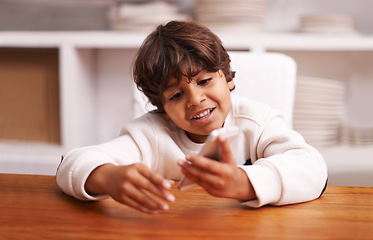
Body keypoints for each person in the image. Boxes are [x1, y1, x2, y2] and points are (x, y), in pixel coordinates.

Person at [56, 21, 328, 214]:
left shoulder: (256, 122)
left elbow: (313, 169)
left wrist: (243, 182)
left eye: (204, 80)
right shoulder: (150, 134)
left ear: (228, 77)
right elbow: (71, 163)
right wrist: (108, 178)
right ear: (161, 108)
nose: (195, 99)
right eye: (176, 95)